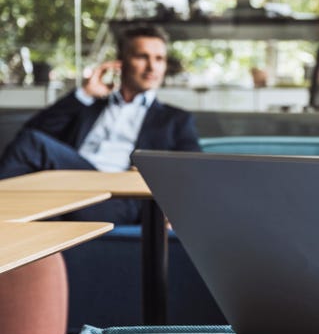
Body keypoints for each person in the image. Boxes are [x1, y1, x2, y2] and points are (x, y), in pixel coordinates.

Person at [0, 25, 201, 224]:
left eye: (159, 59)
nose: (152, 67)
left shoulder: (175, 119)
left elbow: (195, 170)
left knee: (34, 157)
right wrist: (84, 94)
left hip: (117, 199)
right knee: (32, 147)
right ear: (120, 62)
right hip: (70, 185)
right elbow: (33, 132)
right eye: (142, 57)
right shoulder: (90, 105)